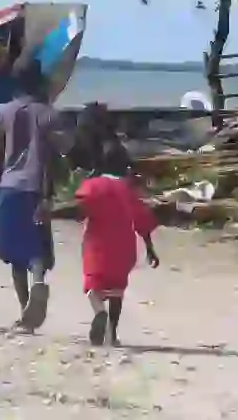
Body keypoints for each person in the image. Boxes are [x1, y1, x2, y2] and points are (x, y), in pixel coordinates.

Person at [0, 56, 58, 331]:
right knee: (36, 246)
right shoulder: (48, 113)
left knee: (13, 252)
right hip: (36, 186)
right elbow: (58, 151)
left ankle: (24, 312)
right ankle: (39, 281)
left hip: (9, 185)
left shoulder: (3, 110)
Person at [75, 139, 159, 346]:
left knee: (94, 287)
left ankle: (99, 312)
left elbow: (79, 207)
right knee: (117, 291)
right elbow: (143, 220)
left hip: (97, 246)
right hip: (124, 249)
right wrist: (150, 249)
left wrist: (50, 212)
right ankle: (112, 334)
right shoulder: (128, 190)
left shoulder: (93, 185)